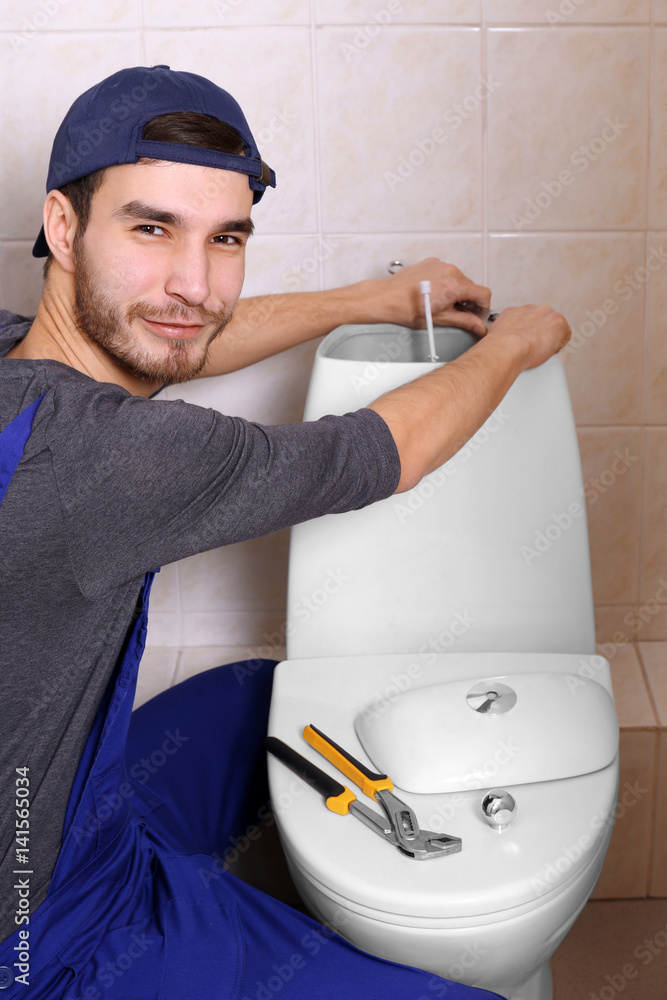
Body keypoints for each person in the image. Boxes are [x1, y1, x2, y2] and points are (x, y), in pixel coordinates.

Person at [0, 66, 569, 999]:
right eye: (152, 228)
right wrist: (516, 342)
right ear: (64, 228)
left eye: (225, 238)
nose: (194, 283)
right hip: (48, 942)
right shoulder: (108, 459)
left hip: (56, 819)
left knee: (259, 700)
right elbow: (376, 455)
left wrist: (368, 300)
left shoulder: (17, 358)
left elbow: (167, 337)